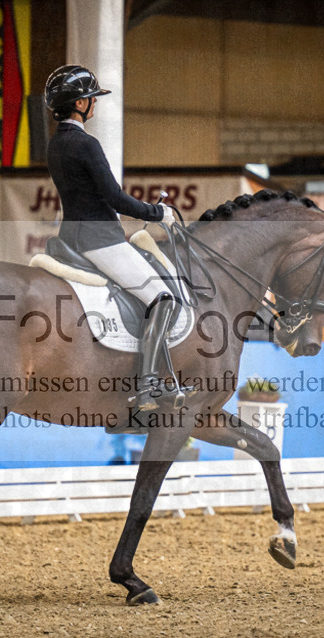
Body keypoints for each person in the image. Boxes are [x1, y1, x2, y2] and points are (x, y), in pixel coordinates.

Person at [44, 64, 189, 411]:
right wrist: (157, 213)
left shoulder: (55, 145)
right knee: (165, 299)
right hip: (101, 240)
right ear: (80, 105)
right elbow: (114, 197)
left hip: (71, 237)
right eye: (91, 98)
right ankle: (148, 385)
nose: (94, 104)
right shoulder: (86, 144)